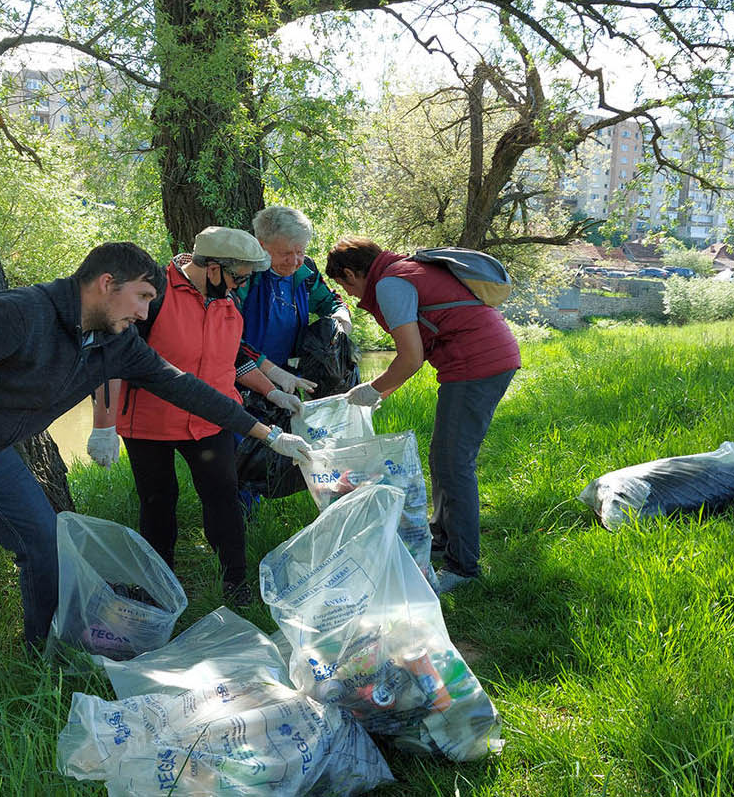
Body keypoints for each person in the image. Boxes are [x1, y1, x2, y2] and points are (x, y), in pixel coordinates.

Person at [0, 242, 311, 746]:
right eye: (143, 298)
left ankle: (40, 657)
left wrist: (268, 434)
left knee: (47, 551)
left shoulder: (114, 340)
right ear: (106, 283)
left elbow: (184, 387)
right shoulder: (18, 314)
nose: (146, 312)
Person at [87, 227, 304, 606]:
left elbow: (231, 359)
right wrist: (103, 426)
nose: (241, 286)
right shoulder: (154, 296)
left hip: (210, 420)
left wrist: (271, 389)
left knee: (223, 495)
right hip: (150, 423)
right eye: (238, 277)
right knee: (158, 501)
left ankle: (236, 585)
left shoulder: (227, 303)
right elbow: (112, 359)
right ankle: (158, 588)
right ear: (215, 268)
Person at [324, 237, 520, 594]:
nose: (351, 295)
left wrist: (373, 389)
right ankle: (443, 538)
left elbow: (410, 358)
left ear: (352, 272)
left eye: (345, 285)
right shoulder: (405, 270)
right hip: (485, 358)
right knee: (443, 457)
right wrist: (380, 391)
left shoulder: (390, 284)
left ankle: (463, 569)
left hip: (477, 364)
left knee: (454, 463)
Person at [236, 205, 353, 394]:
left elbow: (330, 302)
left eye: (300, 252)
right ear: (261, 244)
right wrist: (272, 372)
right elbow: (228, 339)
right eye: (285, 254)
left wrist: (342, 321)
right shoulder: (244, 276)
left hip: (290, 379)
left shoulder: (305, 272)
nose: (294, 261)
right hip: (243, 378)